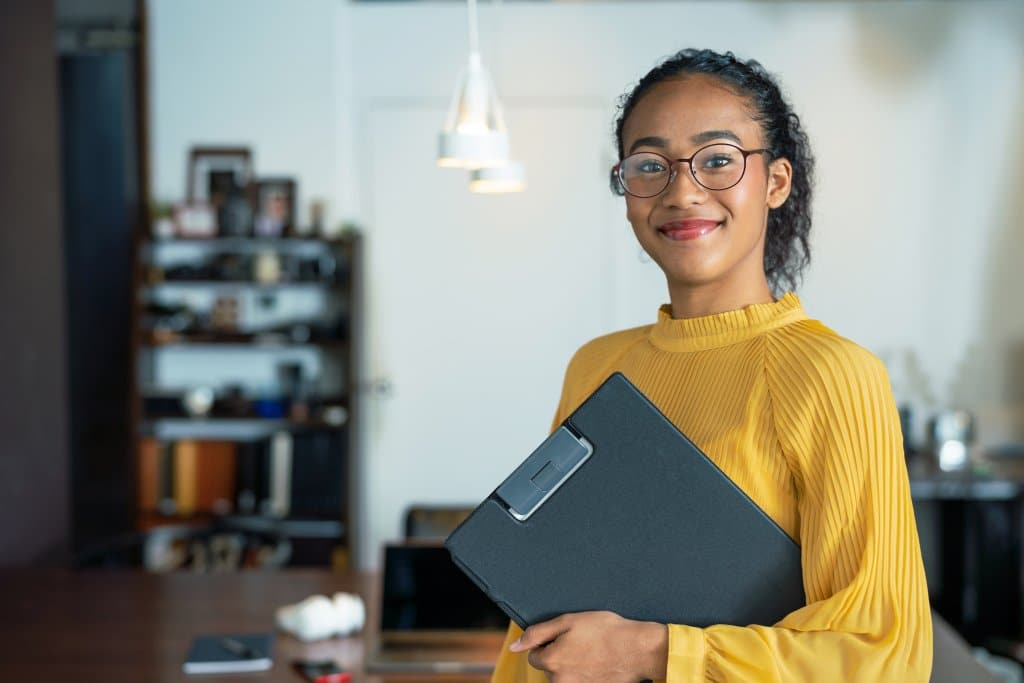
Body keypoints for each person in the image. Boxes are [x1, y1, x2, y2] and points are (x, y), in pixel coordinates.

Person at [490, 48, 932, 682]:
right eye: (650, 165)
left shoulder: (834, 375)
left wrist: (654, 651)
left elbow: (883, 655)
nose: (682, 191)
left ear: (776, 182)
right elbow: (541, 609)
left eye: (718, 160)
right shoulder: (597, 365)